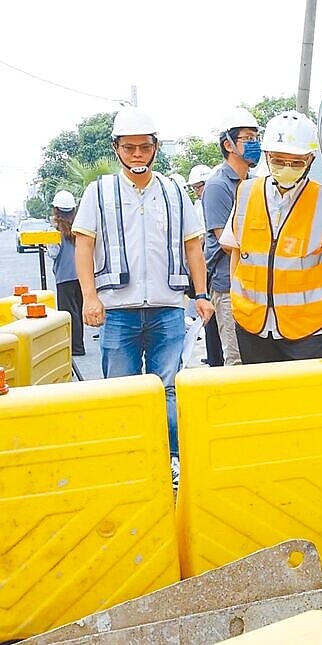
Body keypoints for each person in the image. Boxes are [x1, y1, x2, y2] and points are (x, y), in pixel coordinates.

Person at [72, 106, 214, 484]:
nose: (137, 155)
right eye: (130, 147)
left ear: (155, 148)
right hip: (117, 309)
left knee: (168, 387)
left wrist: (200, 294)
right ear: (117, 148)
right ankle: (127, 459)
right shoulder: (98, 192)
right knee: (123, 389)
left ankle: (171, 461)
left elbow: (193, 247)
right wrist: (90, 297)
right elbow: (83, 246)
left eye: (144, 147)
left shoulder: (173, 192)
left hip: (168, 307)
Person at [219, 110, 322, 363]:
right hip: (252, 324)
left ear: (310, 160)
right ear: (267, 156)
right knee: (260, 397)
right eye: (278, 160)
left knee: (302, 400)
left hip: (306, 329)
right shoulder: (246, 193)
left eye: (296, 162)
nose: (286, 168)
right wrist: (237, 297)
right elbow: (236, 249)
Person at [202, 108, 261, 366]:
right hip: (228, 286)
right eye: (248, 138)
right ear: (228, 144)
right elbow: (227, 242)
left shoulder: (257, 184)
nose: (255, 144)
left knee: (258, 357)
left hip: (256, 284)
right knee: (237, 358)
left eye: (256, 138)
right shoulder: (218, 186)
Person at [186, 164, 221, 366]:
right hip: (207, 267)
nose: (197, 191)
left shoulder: (208, 202)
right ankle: (213, 356)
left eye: (198, 186)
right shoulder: (198, 205)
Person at [47, 190, 85, 355]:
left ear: (56, 210)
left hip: (64, 277)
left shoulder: (55, 230)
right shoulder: (80, 226)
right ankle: (79, 345)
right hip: (81, 275)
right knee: (78, 310)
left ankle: (75, 348)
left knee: (69, 313)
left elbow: (53, 253)